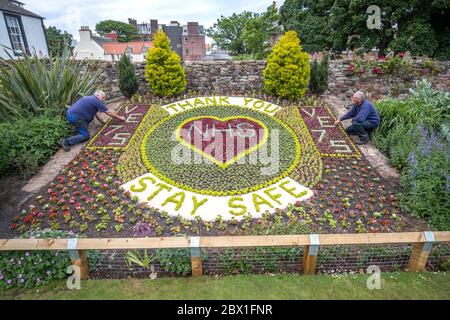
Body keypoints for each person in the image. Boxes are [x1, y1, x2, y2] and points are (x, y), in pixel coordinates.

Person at [60, 91, 125, 151]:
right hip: (76, 117)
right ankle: (66, 142)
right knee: (86, 136)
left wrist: (103, 122)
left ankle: (79, 131)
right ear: (97, 95)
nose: (104, 99)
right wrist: (120, 118)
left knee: (90, 117)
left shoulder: (90, 99)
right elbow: (109, 112)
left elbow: (96, 114)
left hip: (71, 115)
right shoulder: (96, 101)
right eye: (103, 97)